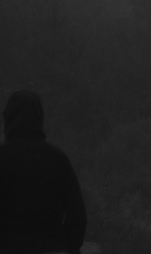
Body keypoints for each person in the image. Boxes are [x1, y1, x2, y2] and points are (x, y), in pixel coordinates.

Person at [0, 90, 87, 254]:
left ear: (7, 118)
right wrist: (68, 248)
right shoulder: (58, 159)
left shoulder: (2, 159)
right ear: (39, 119)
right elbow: (78, 215)